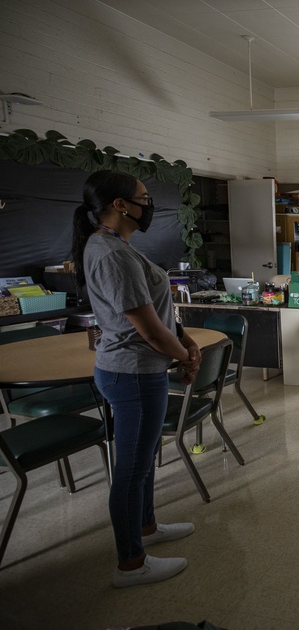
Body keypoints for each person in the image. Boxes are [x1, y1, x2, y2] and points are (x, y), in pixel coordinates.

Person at [71, 170, 201, 588]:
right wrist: (184, 357)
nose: (150, 205)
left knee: (142, 465)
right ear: (120, 205)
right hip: (132, 373)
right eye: (144, 197)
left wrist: (186, 341)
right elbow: (146, 329)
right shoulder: (111, 254)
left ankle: (146, 527)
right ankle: (132, 563)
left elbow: (160, 313)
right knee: (131, 470)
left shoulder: (120, 247)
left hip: (141, 370)